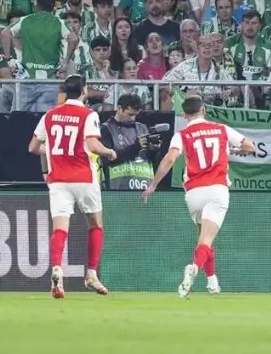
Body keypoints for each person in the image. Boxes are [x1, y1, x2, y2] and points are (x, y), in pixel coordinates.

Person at [142, 93, 256, 297]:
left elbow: (169, 159)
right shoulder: (221, 129)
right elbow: (250, 146)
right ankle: (193, 268)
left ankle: (212, 282)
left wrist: (153, 185)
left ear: (185, 115)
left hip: (194, 193)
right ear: (203, 110)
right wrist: (236, 151)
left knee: (204, 237)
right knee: (206, 240)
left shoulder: (182, 134)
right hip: (217, 190)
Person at [28, 75, 118, 299]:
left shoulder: (50, 115)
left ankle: (57, 269)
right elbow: (93, 145)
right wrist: (109, 151)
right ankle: (91, 274)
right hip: (83, 178)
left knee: (60, 228)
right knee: (95, 224)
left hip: (58, 180)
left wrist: (53, 152)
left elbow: (33, 147)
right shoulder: (88, 114)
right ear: (84, 91)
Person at [98, 93, 154, 190]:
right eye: (130, 114)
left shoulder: (142, 127)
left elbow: (149, 159)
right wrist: (136, 147)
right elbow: (107, 159)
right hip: (117, 186)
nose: (133, 118)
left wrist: (154, 150)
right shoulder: (106, 128)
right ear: (119, 108)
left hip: (143, 185)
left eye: (136, 115)